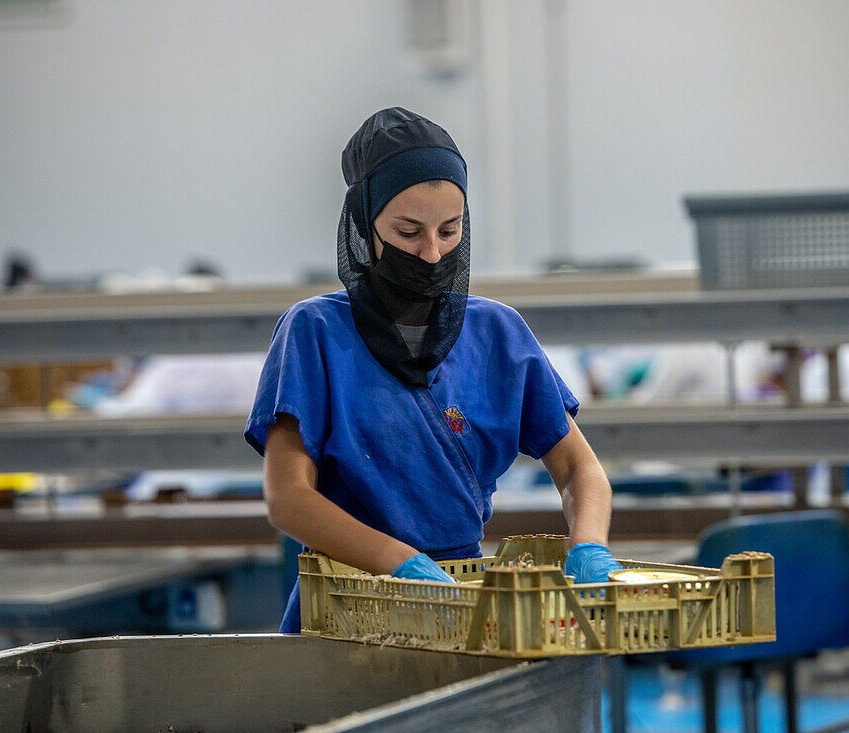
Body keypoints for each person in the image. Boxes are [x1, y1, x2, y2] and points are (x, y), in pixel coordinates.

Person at [244, 107, 622, 632]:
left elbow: (580, 469)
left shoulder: (498, 334)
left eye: (451, 229)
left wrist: (590, 549)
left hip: (463, 606)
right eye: (408, 231)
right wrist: (399, 563)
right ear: (364, 225)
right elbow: (288, 499)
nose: (431, 252)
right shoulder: (314, 333)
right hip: (346, 603)